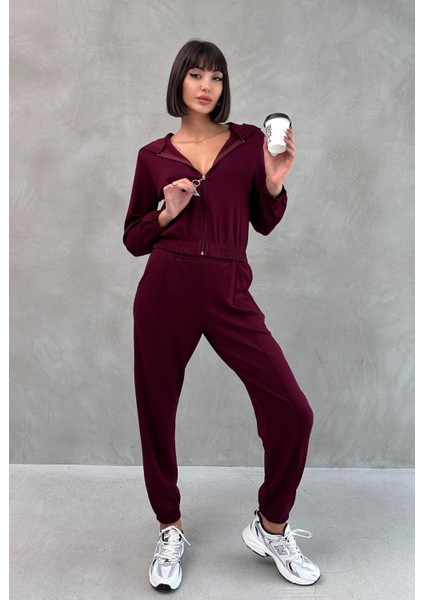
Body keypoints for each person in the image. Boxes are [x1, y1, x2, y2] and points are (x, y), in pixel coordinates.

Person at [123, 39, 320, 592]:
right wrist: (167, 212)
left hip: (230, 287)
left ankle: (271, 525)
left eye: (216, 76)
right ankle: (169, 527)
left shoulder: (249, 142)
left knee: (293, 411)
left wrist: (274, 182)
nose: (206, 85)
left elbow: (263, 220)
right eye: (195, 74)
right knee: (156, 412)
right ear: (179, 81)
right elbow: (133, 237)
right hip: (166, 288)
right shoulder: (153, 155)